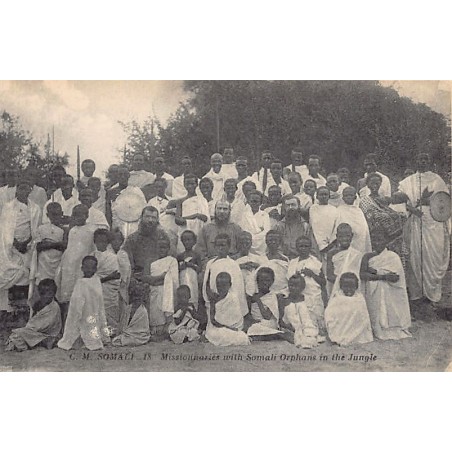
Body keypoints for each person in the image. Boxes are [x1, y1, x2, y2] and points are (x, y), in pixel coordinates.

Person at [392, 152, 450, 304]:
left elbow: (445, 201)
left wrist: (431, 203)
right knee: (416, 255)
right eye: (420, 159)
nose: (423, 161)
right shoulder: (409, 181)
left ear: (429, 162)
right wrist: (410, 207)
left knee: (434, 255)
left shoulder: (437, 179)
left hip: (435, 221)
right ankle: (417, 295)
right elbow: (400, 199)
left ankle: (432, 295)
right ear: (416, 161)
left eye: (426, 159)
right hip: (417, 221)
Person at [360, 229, 411, 340]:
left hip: (391, 291)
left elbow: (396, 278)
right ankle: (378, 327)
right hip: (373, 291)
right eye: (374, 240)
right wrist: (383, 277)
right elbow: (363, 275)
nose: (377, 243)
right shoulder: (367, 256)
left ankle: (394, 325)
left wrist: (375, 272)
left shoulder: (393, 257)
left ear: (386, 241)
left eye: (380, 240)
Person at [0, 180, 41, 315]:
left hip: (28, 247)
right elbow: (5, 229)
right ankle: (8, 309)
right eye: (21, 188)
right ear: (16, 190)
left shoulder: (35, 208)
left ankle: (24, 309)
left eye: (26, 188)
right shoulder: (8, 206)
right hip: (11, 248)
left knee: (27, 275)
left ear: (30, 190)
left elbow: (35, 229)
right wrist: (15, 243)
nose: (23, 191)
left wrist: (27, 242)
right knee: (9, 274)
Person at [58, 256, 109, 350]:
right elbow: (76, 300)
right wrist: (77, 311)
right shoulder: (80, 282)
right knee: (79, 325)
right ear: (82, 268)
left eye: (92, 267)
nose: (89, 270)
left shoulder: (96, 281)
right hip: (82, 310)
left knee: (92, 326)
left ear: (95, 269)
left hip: (93, 310)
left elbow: (99, 298)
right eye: (87, 267)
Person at [57, 204, 96, 322]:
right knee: (67, 296)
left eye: (80, 215)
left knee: (82, 296)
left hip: (81, 267)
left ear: (86, 215)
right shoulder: (72, 230)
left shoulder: (92, 230)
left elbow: (92, 250)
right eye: (75, 215)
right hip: (69, 267)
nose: (78, 217)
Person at [360, 172, 407, 264]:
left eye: (377, 183)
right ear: (367, 185)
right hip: (377, 236)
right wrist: (394, 217)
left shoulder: (385, 199)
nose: (375, 185)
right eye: (372, 183)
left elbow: (397, 213)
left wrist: (395, 216)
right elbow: (374, 216)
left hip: (394, 238)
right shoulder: (365, 200)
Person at [5, 279, 62, 351]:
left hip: (47, 334)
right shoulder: (39, 304)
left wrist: (29, 328)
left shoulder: (54, 307)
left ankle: (44, 342)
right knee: (17, 336)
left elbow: (45, 325)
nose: (46, 296)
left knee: (17, 335)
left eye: (49, 293)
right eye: (43, 293)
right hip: (36, 333)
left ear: (53, 293)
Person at [202, 233, 248, 321]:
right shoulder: (210, 263)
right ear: (214, 246)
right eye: (218, 245)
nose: (220, 248)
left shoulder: (233, 264)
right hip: (214, 300)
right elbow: (206, 282)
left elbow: (237, 287)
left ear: (229, 246)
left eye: (223, 245)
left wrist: (224, 298)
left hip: (229, 302)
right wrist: (211, 295)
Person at [140, 236, 178, 340]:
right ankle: (157, 331)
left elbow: (173, 279)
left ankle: (167, 331)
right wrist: (161, 277)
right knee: (155, 315)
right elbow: (145, 278)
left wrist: (155, 280)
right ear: (155, 248)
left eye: (164, 247)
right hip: (154, 292)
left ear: (168, 248)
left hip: (167, 292)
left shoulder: (172, 261)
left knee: (167, 316)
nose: (161, 249)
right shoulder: (150, 261)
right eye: (159, 247)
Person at [123, 206, 177, 278]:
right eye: (147, 217)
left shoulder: (164, 237)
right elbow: (126, 262)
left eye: (153, 217)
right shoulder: (132, 239)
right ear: (141, 218)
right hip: (138, 276)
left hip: (160, 276)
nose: (150, 220)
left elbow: (171, 259)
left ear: (157, 220)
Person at [287, 236, 326, 330]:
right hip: (296, 296)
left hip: (312, 296)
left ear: (310, 247)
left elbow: (323, 282)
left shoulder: (316, 262)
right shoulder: (292, 262)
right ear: (296, 247)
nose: (303, 248)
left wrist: (312, 274)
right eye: (301, 246)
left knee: (313, 324)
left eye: (306, 246)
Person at [324, 272, 373, 346]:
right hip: (340, 326)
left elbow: (364, 315)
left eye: (352, 287)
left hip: (355, 327)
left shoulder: (359, 298)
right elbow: (329, 313)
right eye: (346, 286)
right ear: (341, 286)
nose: (349, 289)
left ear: (356, 287)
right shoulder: (337, 298)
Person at [205, 271, 250, 346]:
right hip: (218, 329)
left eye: (224, 285)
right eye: (218, 285)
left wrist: (231, 328)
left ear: (230, 285)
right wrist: (227, 328)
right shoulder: (214, 299)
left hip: (232, 329)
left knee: (242, 336)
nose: (221, 288)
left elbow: (236, 320)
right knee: (214, 333)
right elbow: (213, 321)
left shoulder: (233, 298)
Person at [279, 274, 321, 348]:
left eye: (296, 286)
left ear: (302, 288)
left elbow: (309, 317)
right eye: (291, 285)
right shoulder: (285, 300)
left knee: (310, 333)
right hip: (289, 326)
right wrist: (289, 327)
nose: (293, 288)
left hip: (305, 326)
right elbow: (281, 319)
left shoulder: (307, 300)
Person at [196, 201, 243, 266]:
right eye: (219, 208)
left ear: (229, 211)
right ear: (215, 210)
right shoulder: (206, 229)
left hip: (232, 264)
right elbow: (200, 251)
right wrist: (208, 264)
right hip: (211, 264)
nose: (222, 212)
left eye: (225, 209)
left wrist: (232, 262)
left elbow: (241, 251)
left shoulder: (236, 229)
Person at [106, 165, 147, 238]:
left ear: (128, 176)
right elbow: (108, 212)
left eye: (125, 174)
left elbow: (143, 208)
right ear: (117, 176)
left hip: (134, 224)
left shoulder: (136, 190)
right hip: (117, 224)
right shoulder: (111, 192)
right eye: (120, 174)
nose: (122, 177)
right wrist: (110, 228)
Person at [172, 174, 209, 253]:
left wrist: (186, 218)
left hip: (199, 233)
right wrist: (196, 215)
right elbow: (178, 220)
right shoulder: (180, 201)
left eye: (192, 184)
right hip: (184, 233)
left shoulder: (202, 200)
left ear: (196, 184)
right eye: (187, 184)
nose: (190, 186)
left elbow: (205, 218)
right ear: (184, 185)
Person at [94, 228, 121, 335]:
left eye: (104, 241)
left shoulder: (112, 257)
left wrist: (102, 278)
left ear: (107, 242)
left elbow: (116, 276)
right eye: (98, 241)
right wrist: (106, 277)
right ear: (95, 241)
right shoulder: (91, 255)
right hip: (95, 290)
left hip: (109, 291)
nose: (101, 244)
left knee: (110, 314)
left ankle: (111, 333)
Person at [326, 223, 363, 298]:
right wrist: (344, 283)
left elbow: (360, 274)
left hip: (354, 290)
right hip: (337, 289)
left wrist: (350, 284)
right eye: (341, 236)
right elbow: (329, 276)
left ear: (352, 236)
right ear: (336, 236)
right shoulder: (331, 254)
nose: (344, 239)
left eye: (347, 236)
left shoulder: (357, 254)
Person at [112, 280, 151, 347]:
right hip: (128, 334)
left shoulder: (143, 311)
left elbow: (143, 329)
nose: (136, 299)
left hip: (139, 336)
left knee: (121, 340)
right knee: (116, 340)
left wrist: (130, 333)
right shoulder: (128, 308)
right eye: (135, 296)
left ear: (142, 298)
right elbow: (123, 324)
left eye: (138, 297)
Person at [35, 202, 66, 284]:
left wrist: (48, 243)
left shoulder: (65, 230)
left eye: (58, 214)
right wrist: (56, 244)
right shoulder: (42, 228)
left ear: (62, 213)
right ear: (47, 215)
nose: (56, 217)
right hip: (44, 265)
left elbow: (64, 246)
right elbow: (38, 246)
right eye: (53, 214)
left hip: (58, 263)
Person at [246, 267, 281, 337]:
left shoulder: (272, 296)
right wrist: (252, 320)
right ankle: (271, 335)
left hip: (267, 322)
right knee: (249, 326)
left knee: (256, 328)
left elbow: (267, 316)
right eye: (262, 280)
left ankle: (277, 334)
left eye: (268, 280)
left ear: (272, 281)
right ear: (257, 281)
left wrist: (258, 301)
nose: (265, 283)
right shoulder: (253, 295)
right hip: (256, 322)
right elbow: (248, 312)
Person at [335, 186, 371, 253]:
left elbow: (364, 228)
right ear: (343, 198)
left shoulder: (359, 211)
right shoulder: (339, 210)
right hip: (346, 240)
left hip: (360, 240)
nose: (348, 197)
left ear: (355, 197)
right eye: (346, 195)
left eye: (351, 195)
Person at [236, 190, 270, 255]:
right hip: (247, 243)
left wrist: (254, 237)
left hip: (261, 244)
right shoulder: (244, 215)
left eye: (256, 201)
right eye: (252, 201)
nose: (254, 203)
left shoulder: (265, 215)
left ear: (260, 202)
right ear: (248, 202)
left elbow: (266, 231)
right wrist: (259, 231)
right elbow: (243, 230)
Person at [309, 186, 338, 262]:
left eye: (325, 194)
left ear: (329, 196)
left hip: (329, 244)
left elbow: (335, 227)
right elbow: (311, 226)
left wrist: (330, 244)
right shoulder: (312, 209)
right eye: (321, 194)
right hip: (315, 243)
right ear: (317, 196)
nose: (323, 196)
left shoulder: (334, 209)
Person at [234, 231, 265, 296]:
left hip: (254, 293)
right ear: (237, 243)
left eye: (247, 242)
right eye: (242, 242)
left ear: (251, 243)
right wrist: (240, 266)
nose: (244, 245)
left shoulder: (258, 259)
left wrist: (257, 266)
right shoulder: (232, 259)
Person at [177, 230, 201, 309]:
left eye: (189, 240)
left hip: (193, 279)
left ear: (194, 241)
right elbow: (176, 270)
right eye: (184, 240)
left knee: (193, 294)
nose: (186, 242)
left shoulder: (196, 255)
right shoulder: (180, 256)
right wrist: (181, 267)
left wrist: (192, 265)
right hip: (183, 278)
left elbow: (199, 269)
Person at [261, 230, 289, 295]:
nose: (273, 242)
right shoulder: (260, 259)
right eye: (270, 240)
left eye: (275, 240)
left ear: (279, 242)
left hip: (282, 293)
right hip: (265, 294)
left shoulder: (285, 259)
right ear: (266, 242)